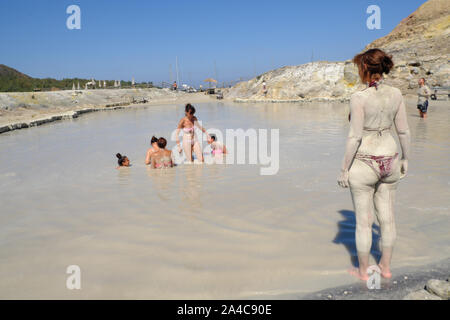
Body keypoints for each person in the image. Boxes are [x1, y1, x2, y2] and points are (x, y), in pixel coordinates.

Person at [337, 48, 410, 281]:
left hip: (364, 160)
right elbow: (404, 130)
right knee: (387, 219)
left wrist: (344, 169)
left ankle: (362, 271)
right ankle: (385, 269)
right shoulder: (396, 94)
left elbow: (354, 137)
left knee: (363, 223)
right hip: (390, 158)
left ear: (365, 68)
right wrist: (406, 158)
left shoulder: (359, 97)